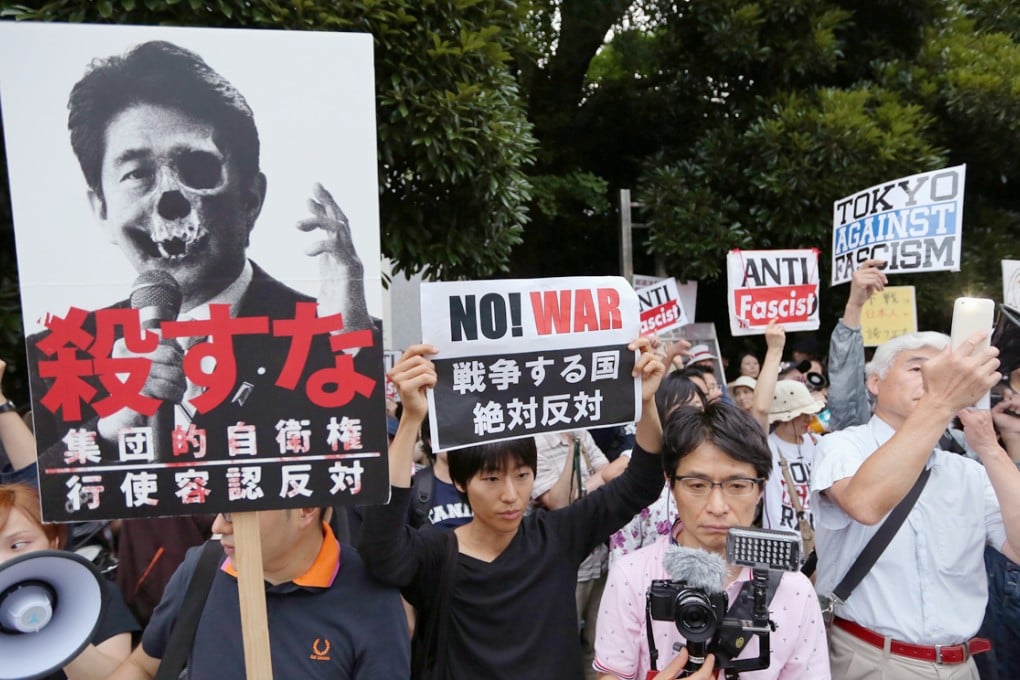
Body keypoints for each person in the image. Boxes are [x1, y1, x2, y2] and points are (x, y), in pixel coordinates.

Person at [358, 338, 666, 679]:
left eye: (522, 476)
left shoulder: (557, 537)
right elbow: (380, 548)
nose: (511, 494)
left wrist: (646, 401)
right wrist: (411, 418)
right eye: (491, 479)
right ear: (460, 482)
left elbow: (641, 483)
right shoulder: (434, 553)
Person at [812, 330, 1020, 679]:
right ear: (875, 383)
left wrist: (991, 447)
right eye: (917, 369)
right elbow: (865, 503)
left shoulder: (968, 470)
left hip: (961, 664)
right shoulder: (842, 447)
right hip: (870, 659)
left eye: (941, 374)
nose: (933, 382)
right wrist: (940, 404)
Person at [593, 403, 830, 679]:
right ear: (670, 483)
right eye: (697, 485)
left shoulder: (795, 590)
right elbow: (612, 673)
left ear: (761, 488)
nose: (717, 506)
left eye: (737, 485)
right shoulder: (632, 575)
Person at [108, 506, 409, 679]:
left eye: (233, 512)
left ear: (305, 510)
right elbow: (143, 667)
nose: (218, 525)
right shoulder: (202, 568)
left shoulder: (369, 597)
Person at [0, 483, 140, 680]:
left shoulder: (93, 594)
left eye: (18, 545)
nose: (3, 561)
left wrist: (60, 627)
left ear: (54, 541)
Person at [761, 380, 823, 548]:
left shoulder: (818, 442)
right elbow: (773, 509)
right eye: (802, 413)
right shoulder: (768, 449)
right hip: (786, 542)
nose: (809, 418)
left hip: (822, 541)